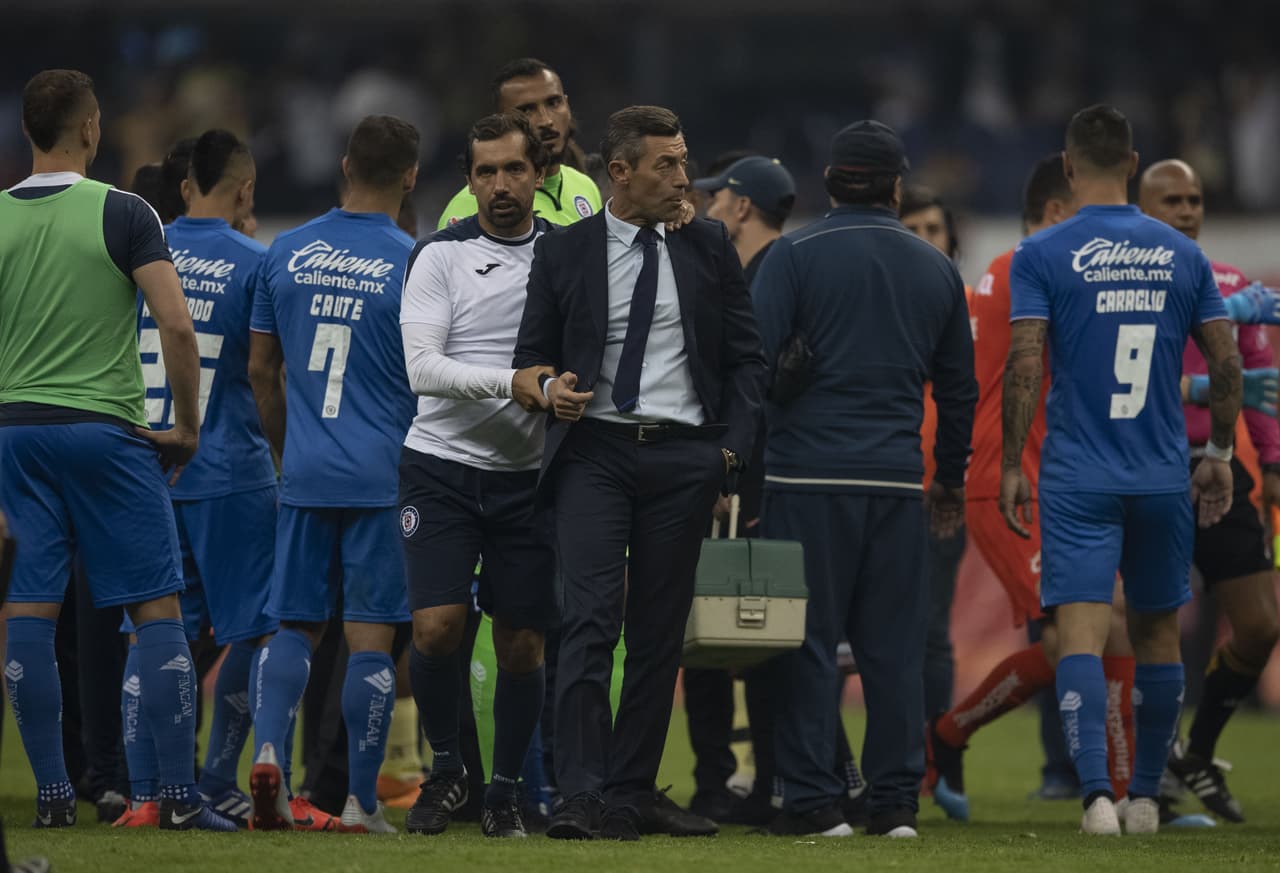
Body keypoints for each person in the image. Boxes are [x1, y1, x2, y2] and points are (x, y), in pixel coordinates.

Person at [514, 105, 766, 841]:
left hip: (684, 457)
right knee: (589, 621)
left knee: (658, 634)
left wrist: (729, 452)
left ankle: (631, 793)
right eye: (668, 164)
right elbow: (532, 354)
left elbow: (747, 358)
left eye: (684, 161)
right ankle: (580, 793)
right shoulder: (565, 251)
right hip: (593, 448)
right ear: (619, 171)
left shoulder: (709, 244)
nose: (684, 178)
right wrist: (548, 384)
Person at [0, 69, 234, 832]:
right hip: (106, 430)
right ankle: (174, 796)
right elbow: (175, 326)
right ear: (92, 129)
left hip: (17, 434)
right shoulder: (123, 211)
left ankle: (53, 795)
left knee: (30, 608)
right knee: (157, 605)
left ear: (30, 131)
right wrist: (188, 426)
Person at [1000, 104, 1242, 836]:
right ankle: (1144, 798)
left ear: (1069, 168)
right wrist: (1222, 454)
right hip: (1163, 473)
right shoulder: (1183, 254)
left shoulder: (1041, 254)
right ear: (1133, 165)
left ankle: (1096, 800)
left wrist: (1014, 462)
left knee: (1080, 632)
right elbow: (1226, 361)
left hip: (1078, 474)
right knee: (1159, 636)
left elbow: (1026, 362)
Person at [752, 120, 977, 839]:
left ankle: (817, 802)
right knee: (892, 649)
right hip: (896, 481)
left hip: (804, 475)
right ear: (897, 186)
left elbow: (753, 368)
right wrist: (945, 477)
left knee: (810, 644)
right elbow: (961, 388)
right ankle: (894, 803)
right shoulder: (936, 268)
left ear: (829, 181)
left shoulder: (792, 255)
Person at [116, 129, 343, 832]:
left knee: (152, 631)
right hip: (229, 467)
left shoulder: (140, 254)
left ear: (184, 188)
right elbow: (264, 371)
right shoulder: (258, 259)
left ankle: (147, 794)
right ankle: (216, 780)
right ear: (247, 190)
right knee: (255, 628)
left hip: (146, 466)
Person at [246, 114, 420, 835]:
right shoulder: (415, 261)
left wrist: (290, 450)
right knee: (371, 638)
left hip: (307, 469)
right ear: (411, 176)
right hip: (382, 474)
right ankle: (359, 802)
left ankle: (266, 755)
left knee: (295, 626)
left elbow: (261, 369)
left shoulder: (283, 251)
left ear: (344, 164)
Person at [396, 112, 557, 839]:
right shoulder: (439, 257)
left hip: (530, 479)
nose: (500, 185)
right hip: (441, 467)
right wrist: (513, 382)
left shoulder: (567, 257)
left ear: (541, 176)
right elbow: (422, 369)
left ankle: (506, 788)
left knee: (523, 642)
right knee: (435, 629)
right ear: (468, 181)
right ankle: (448, 766)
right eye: (485, 172)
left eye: (514, 170)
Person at [1139, 159, 1280, 823]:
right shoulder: (1127, 282)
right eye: (1172, 199)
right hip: (1142, 464)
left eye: (1195, 198)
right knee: (1148, 625)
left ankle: (1195, 752)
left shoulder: (1229, 283)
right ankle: (1145, 772)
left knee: (1259, 623)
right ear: (1142, 209)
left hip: (1218, 463)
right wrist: (1198, 388)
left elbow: (1260, 383)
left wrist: (1274, 463)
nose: (1188, 209)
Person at [899, 185, 969, 725]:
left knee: (930, 630)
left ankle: (937, 765)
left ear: (951, 239)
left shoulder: (969, 310)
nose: (924, 239)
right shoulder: (879, 299)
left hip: (942, 489)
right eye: (913, 228)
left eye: (933, 230)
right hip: (884, 480)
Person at [438, 58, 602, 229]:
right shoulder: (470, 208)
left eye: (553, 103)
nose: (546, 120)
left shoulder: (585, 186)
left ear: (567, 104)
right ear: (501, 121)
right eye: (527, 110)